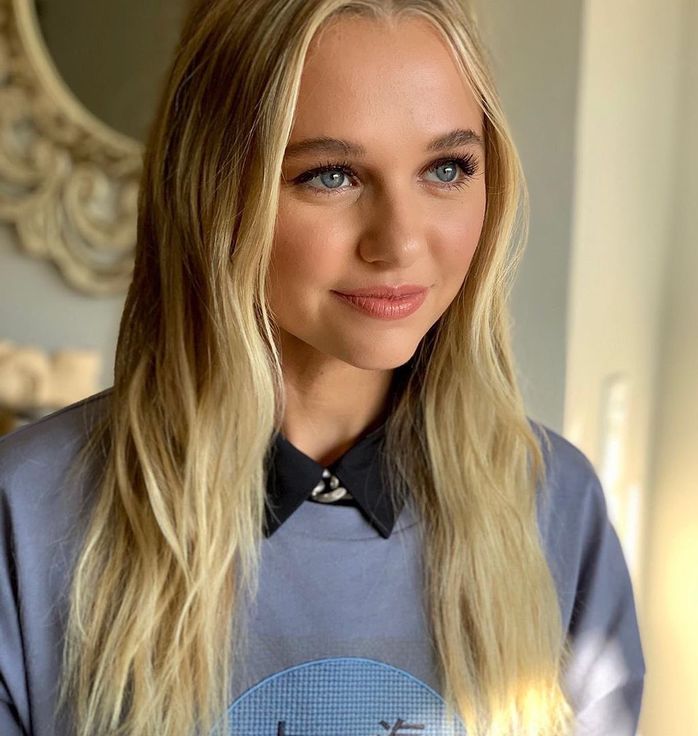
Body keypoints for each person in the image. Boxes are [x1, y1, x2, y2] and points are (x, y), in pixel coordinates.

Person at [0, 1, 646, 735]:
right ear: (212, 188)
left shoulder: (556, 507)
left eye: (446, 167)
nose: (399, 242)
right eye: (332, 175)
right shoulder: (25, 514)